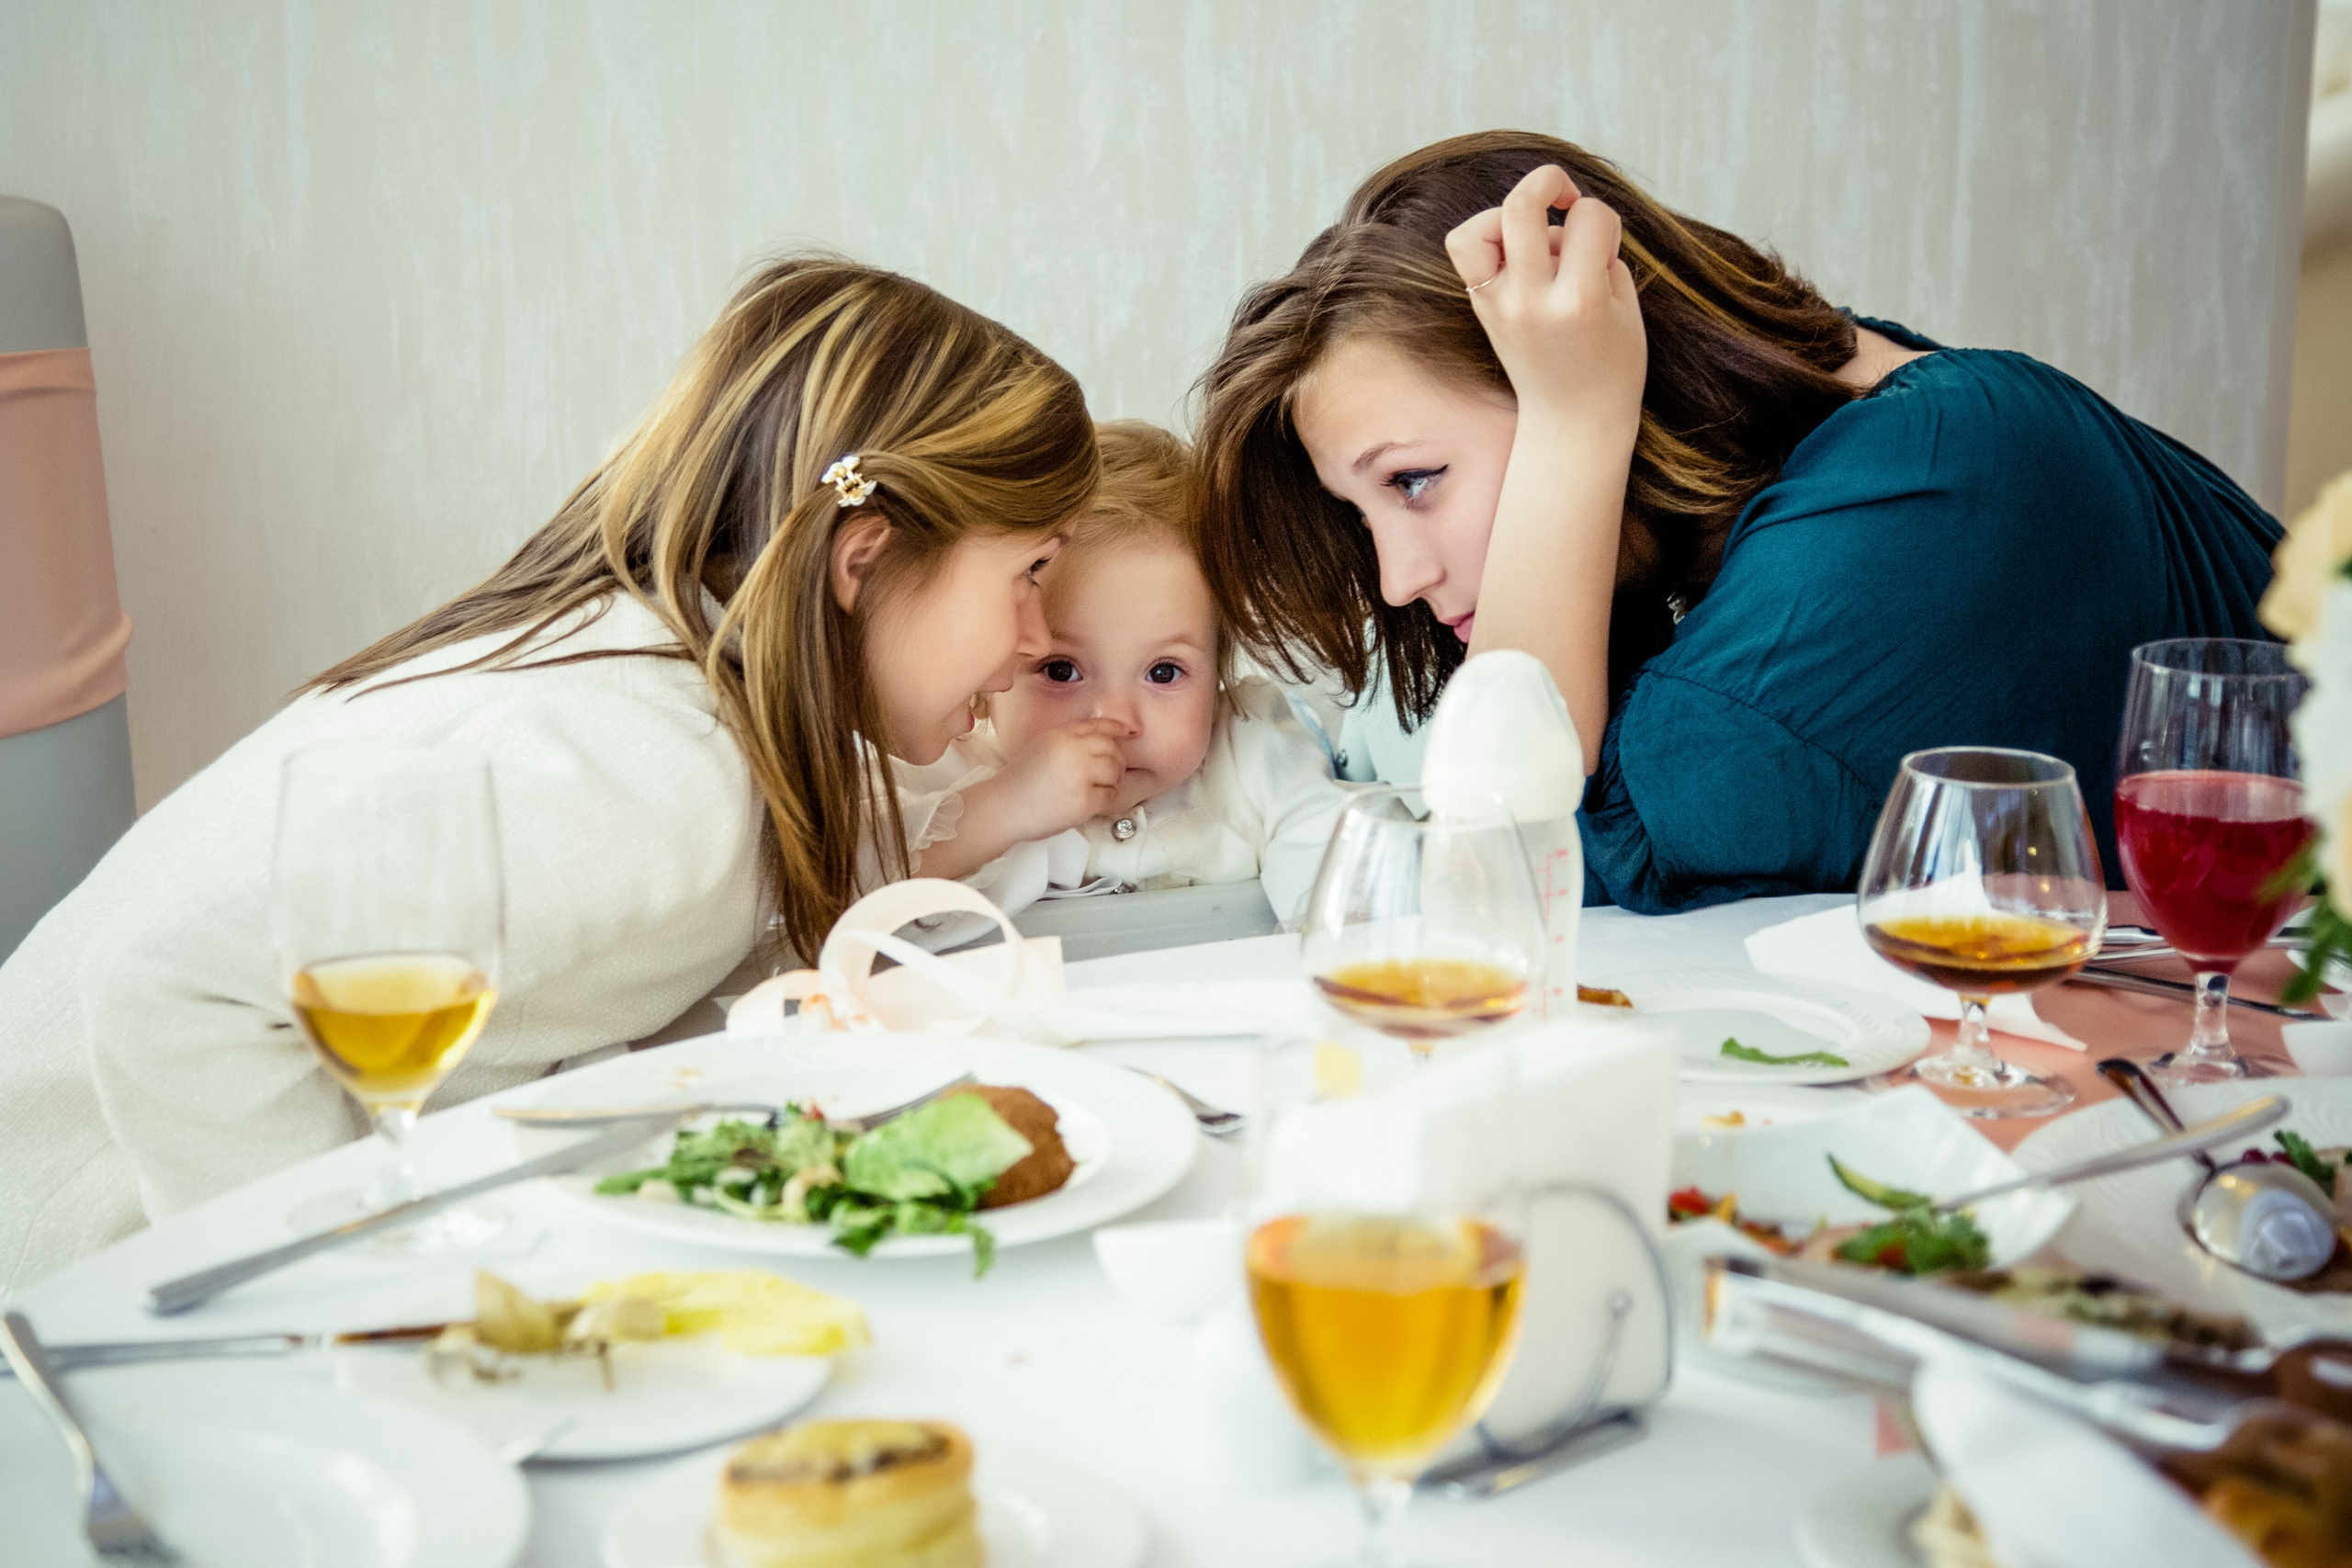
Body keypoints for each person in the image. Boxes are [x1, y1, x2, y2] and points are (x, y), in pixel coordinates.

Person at [0, 256, 1097, 1287]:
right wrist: (343, 1300)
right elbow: (171, 984)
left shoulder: (654, 673)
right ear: (864, 560)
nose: (1036, 634)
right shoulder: (652, 771)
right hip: (62, 1283)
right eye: (1029, 572)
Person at [1194, 130, 2282, 913]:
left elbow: (1504, 852)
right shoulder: (1839, 424)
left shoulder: (1909, 513)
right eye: (1364, 510)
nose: (1393, 579)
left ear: (1603, 349)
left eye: (1416, 479)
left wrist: (1575, 423)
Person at [900, 422, 1347, 925]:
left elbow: (1336, 863)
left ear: (1219, 675)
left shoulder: (1248, 748)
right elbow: (837, 899)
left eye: (1163, 672)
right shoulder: (945, 772)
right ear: (991, 677)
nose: (1114, 719)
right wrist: (1004, 809)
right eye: (1061, 670)